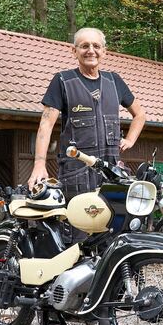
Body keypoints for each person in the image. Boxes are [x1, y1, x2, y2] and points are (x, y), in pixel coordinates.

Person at [28, 27, 146, 201]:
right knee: (78, 227)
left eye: (96, 46)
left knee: (114, 226)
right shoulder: (63, 81)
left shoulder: (114, 81)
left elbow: (140, 114)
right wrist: (39, 164)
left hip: (111, 174)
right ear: (74, 51)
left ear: (104, 51)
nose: (91, 50)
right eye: (84, 46)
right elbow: (45, 125)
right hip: (76, 174)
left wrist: (130, 140)